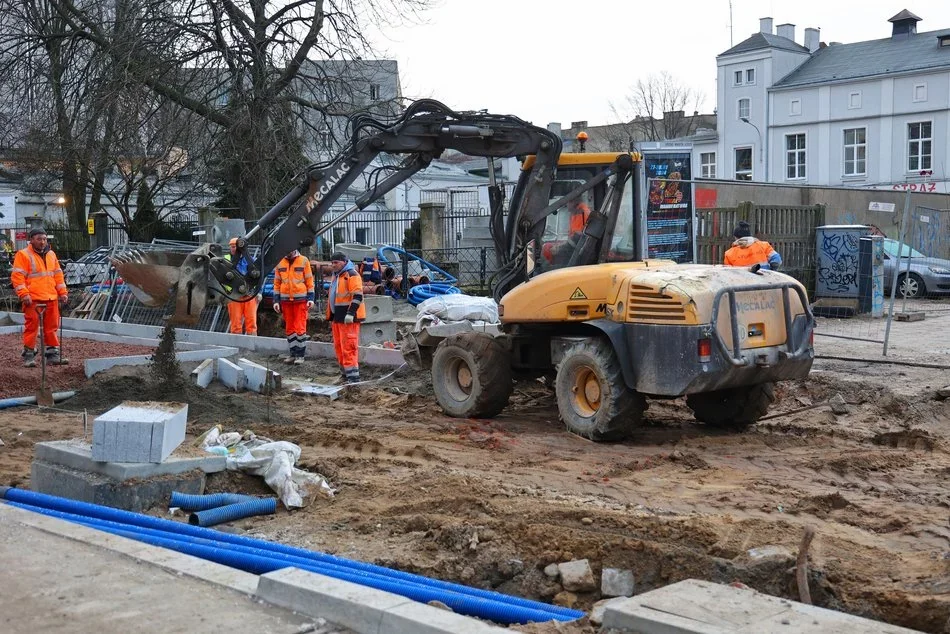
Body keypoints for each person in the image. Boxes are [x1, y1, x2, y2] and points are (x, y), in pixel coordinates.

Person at [11, 227, 68, 367]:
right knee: (32, 327)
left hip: (51, 297)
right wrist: (24, 294)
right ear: (31, 240)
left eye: (44, 239)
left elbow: (58, 275)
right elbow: (18, 277)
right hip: (33, 298)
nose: (42, 242)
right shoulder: (23, 255)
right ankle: (29, 355)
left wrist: (63, 293)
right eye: (39, 239)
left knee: (52, 327)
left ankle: (52, 354)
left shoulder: (51, 255)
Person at [327, 251, 366, 384]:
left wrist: (351, 313)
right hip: (338, 318)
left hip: (348, 318)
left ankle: (353, 379)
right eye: (332, 263)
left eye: (336, 262)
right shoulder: (337, 275)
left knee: (349, 347)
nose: (333, 265)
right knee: (339, 347)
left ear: (344, 262)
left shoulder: (352, 275)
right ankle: (344, 375)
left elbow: (358, 295)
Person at [272, 249, 314, 364]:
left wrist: (310, 298)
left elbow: (309, 280)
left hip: (300, 300)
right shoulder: (280, 262)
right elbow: (277, 283)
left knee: (300, 327)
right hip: (286, 301)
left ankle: (300, 355)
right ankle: (293, 353)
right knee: (290, 328)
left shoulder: (304, 261)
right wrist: (276, 301)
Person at [223, 237, 260, 335]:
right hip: (233, 296)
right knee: (235, 323)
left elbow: (258, 276)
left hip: (249, 294)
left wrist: (258, 292)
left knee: (251, 322)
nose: (233, 249)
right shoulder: (226, 260)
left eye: (235, 246)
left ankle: (252, 344)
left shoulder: (250, 260)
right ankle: (237, 345)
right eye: (231, 247)